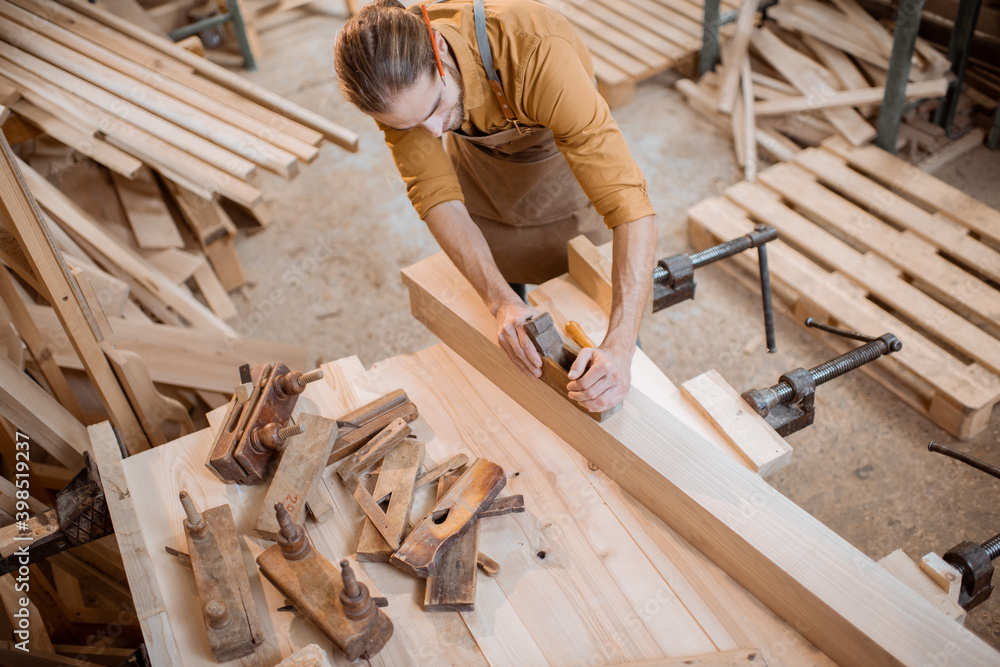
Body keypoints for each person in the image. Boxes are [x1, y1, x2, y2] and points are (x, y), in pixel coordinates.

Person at [334, 0, 657, 412]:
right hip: (485, 190)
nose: (432, 131)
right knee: (513, 348)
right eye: (411, 127)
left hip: (562, 189)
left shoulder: (539, 52)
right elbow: (434, 194)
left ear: (439, 48)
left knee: (606, 332)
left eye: (436, 107)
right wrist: (501, 301)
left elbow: (629, 202)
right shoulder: (391, 85)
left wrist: (622, 345)